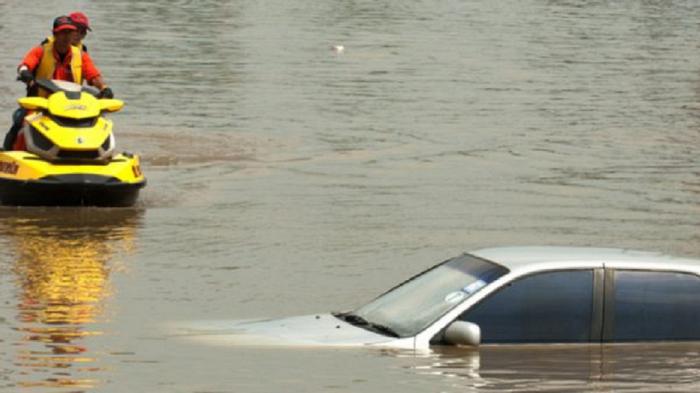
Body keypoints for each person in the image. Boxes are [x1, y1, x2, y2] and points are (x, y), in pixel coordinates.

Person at [4, 16, 113, 150]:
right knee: (20, 120)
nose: (66, 37)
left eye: (69, 32)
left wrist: (104, 87)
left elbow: (94, 76)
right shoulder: (41, 50)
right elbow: (24, 65)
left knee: (100, 121)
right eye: (62, 32)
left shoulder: (81, 55)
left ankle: (98, 153)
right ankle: (6, 155)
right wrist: (25, 73)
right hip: (41, 105)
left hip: (73, 106)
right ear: (54, 34)